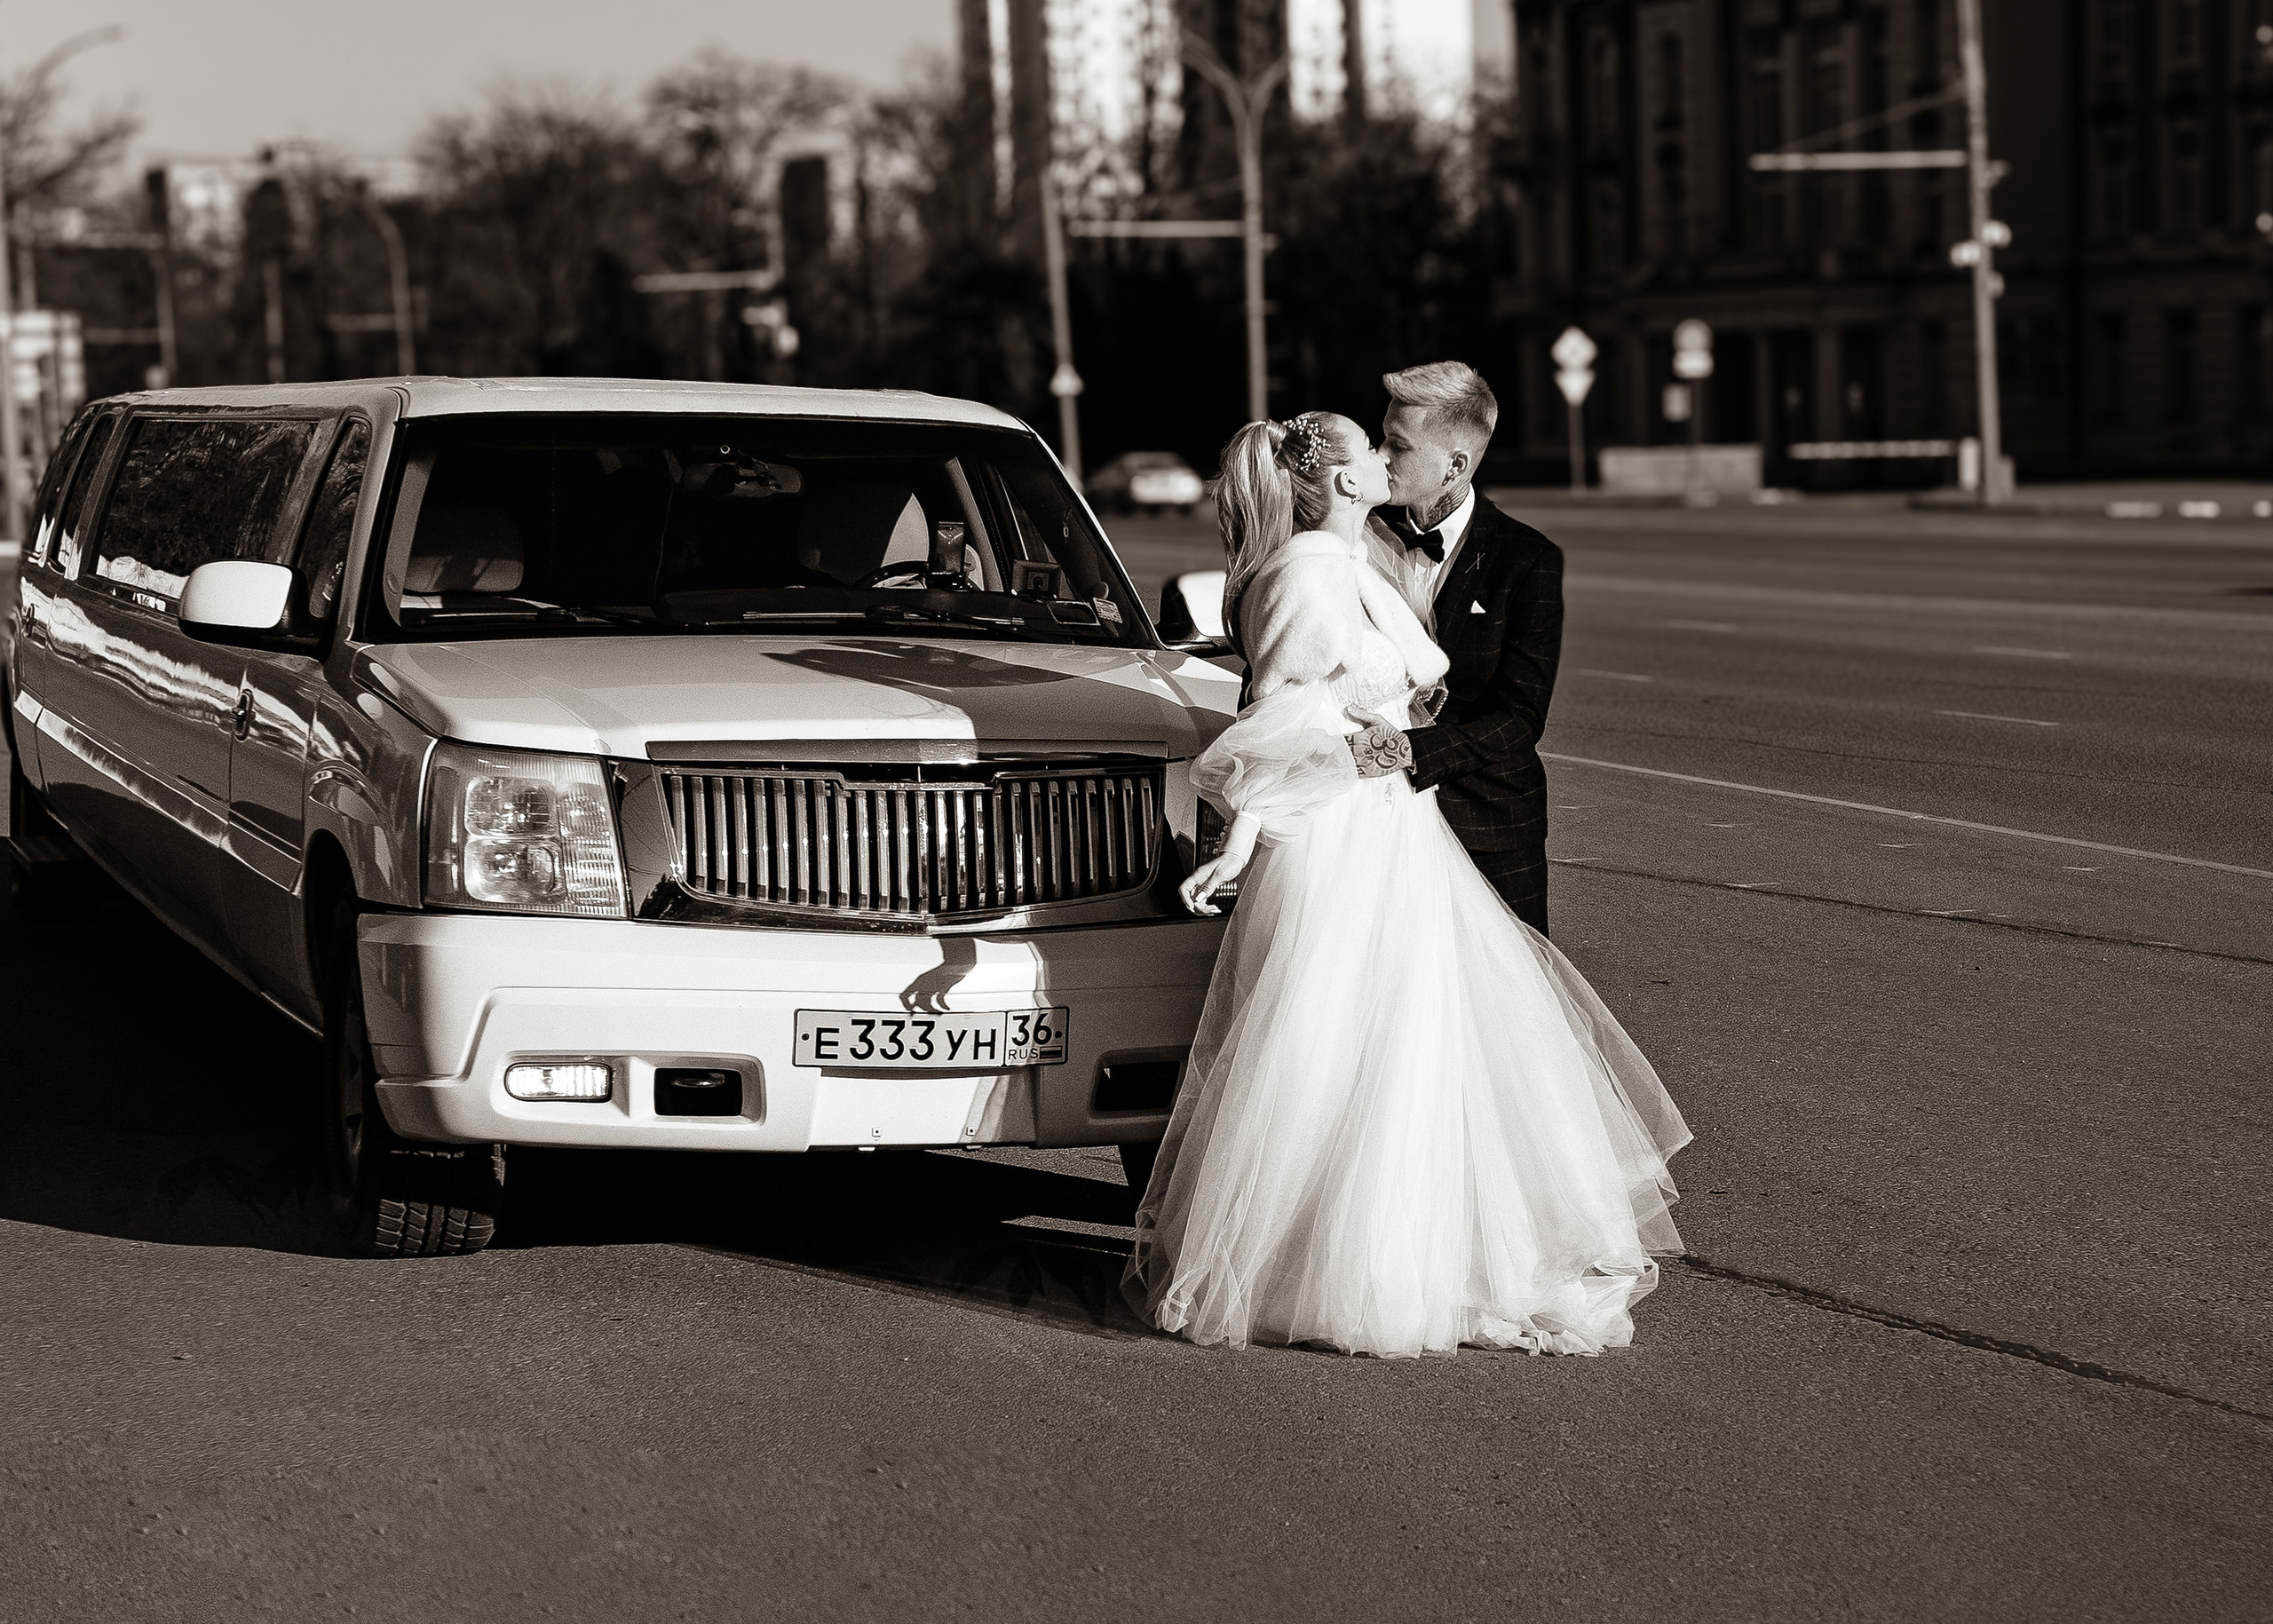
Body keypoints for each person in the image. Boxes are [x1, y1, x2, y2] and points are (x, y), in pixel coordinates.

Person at [1125, 411, 1689, 1359]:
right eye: (1370, 450)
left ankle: (1417, 1256)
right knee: (1338, 1048)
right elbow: (1274, 724)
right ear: (1342, 482)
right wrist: (1245, 835)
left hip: (1394, 831)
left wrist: (1385, 751)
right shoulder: (1308, 573)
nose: (1388, 460)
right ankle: (1333, 1267)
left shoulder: (1349, 562)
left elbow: (1389, 699)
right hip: (1341, 841)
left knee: (1414, 1050)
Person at [1359, 362, 1562, 935]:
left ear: (1456, 465)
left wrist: (1404, 753)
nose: (1380, 456)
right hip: (1371, 822)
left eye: (1398, 445)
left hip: (1488, 818)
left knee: (1511, 1004)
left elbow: (1521, 718)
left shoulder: (1526, 559)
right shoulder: (1347, 537)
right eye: (1381, 439)